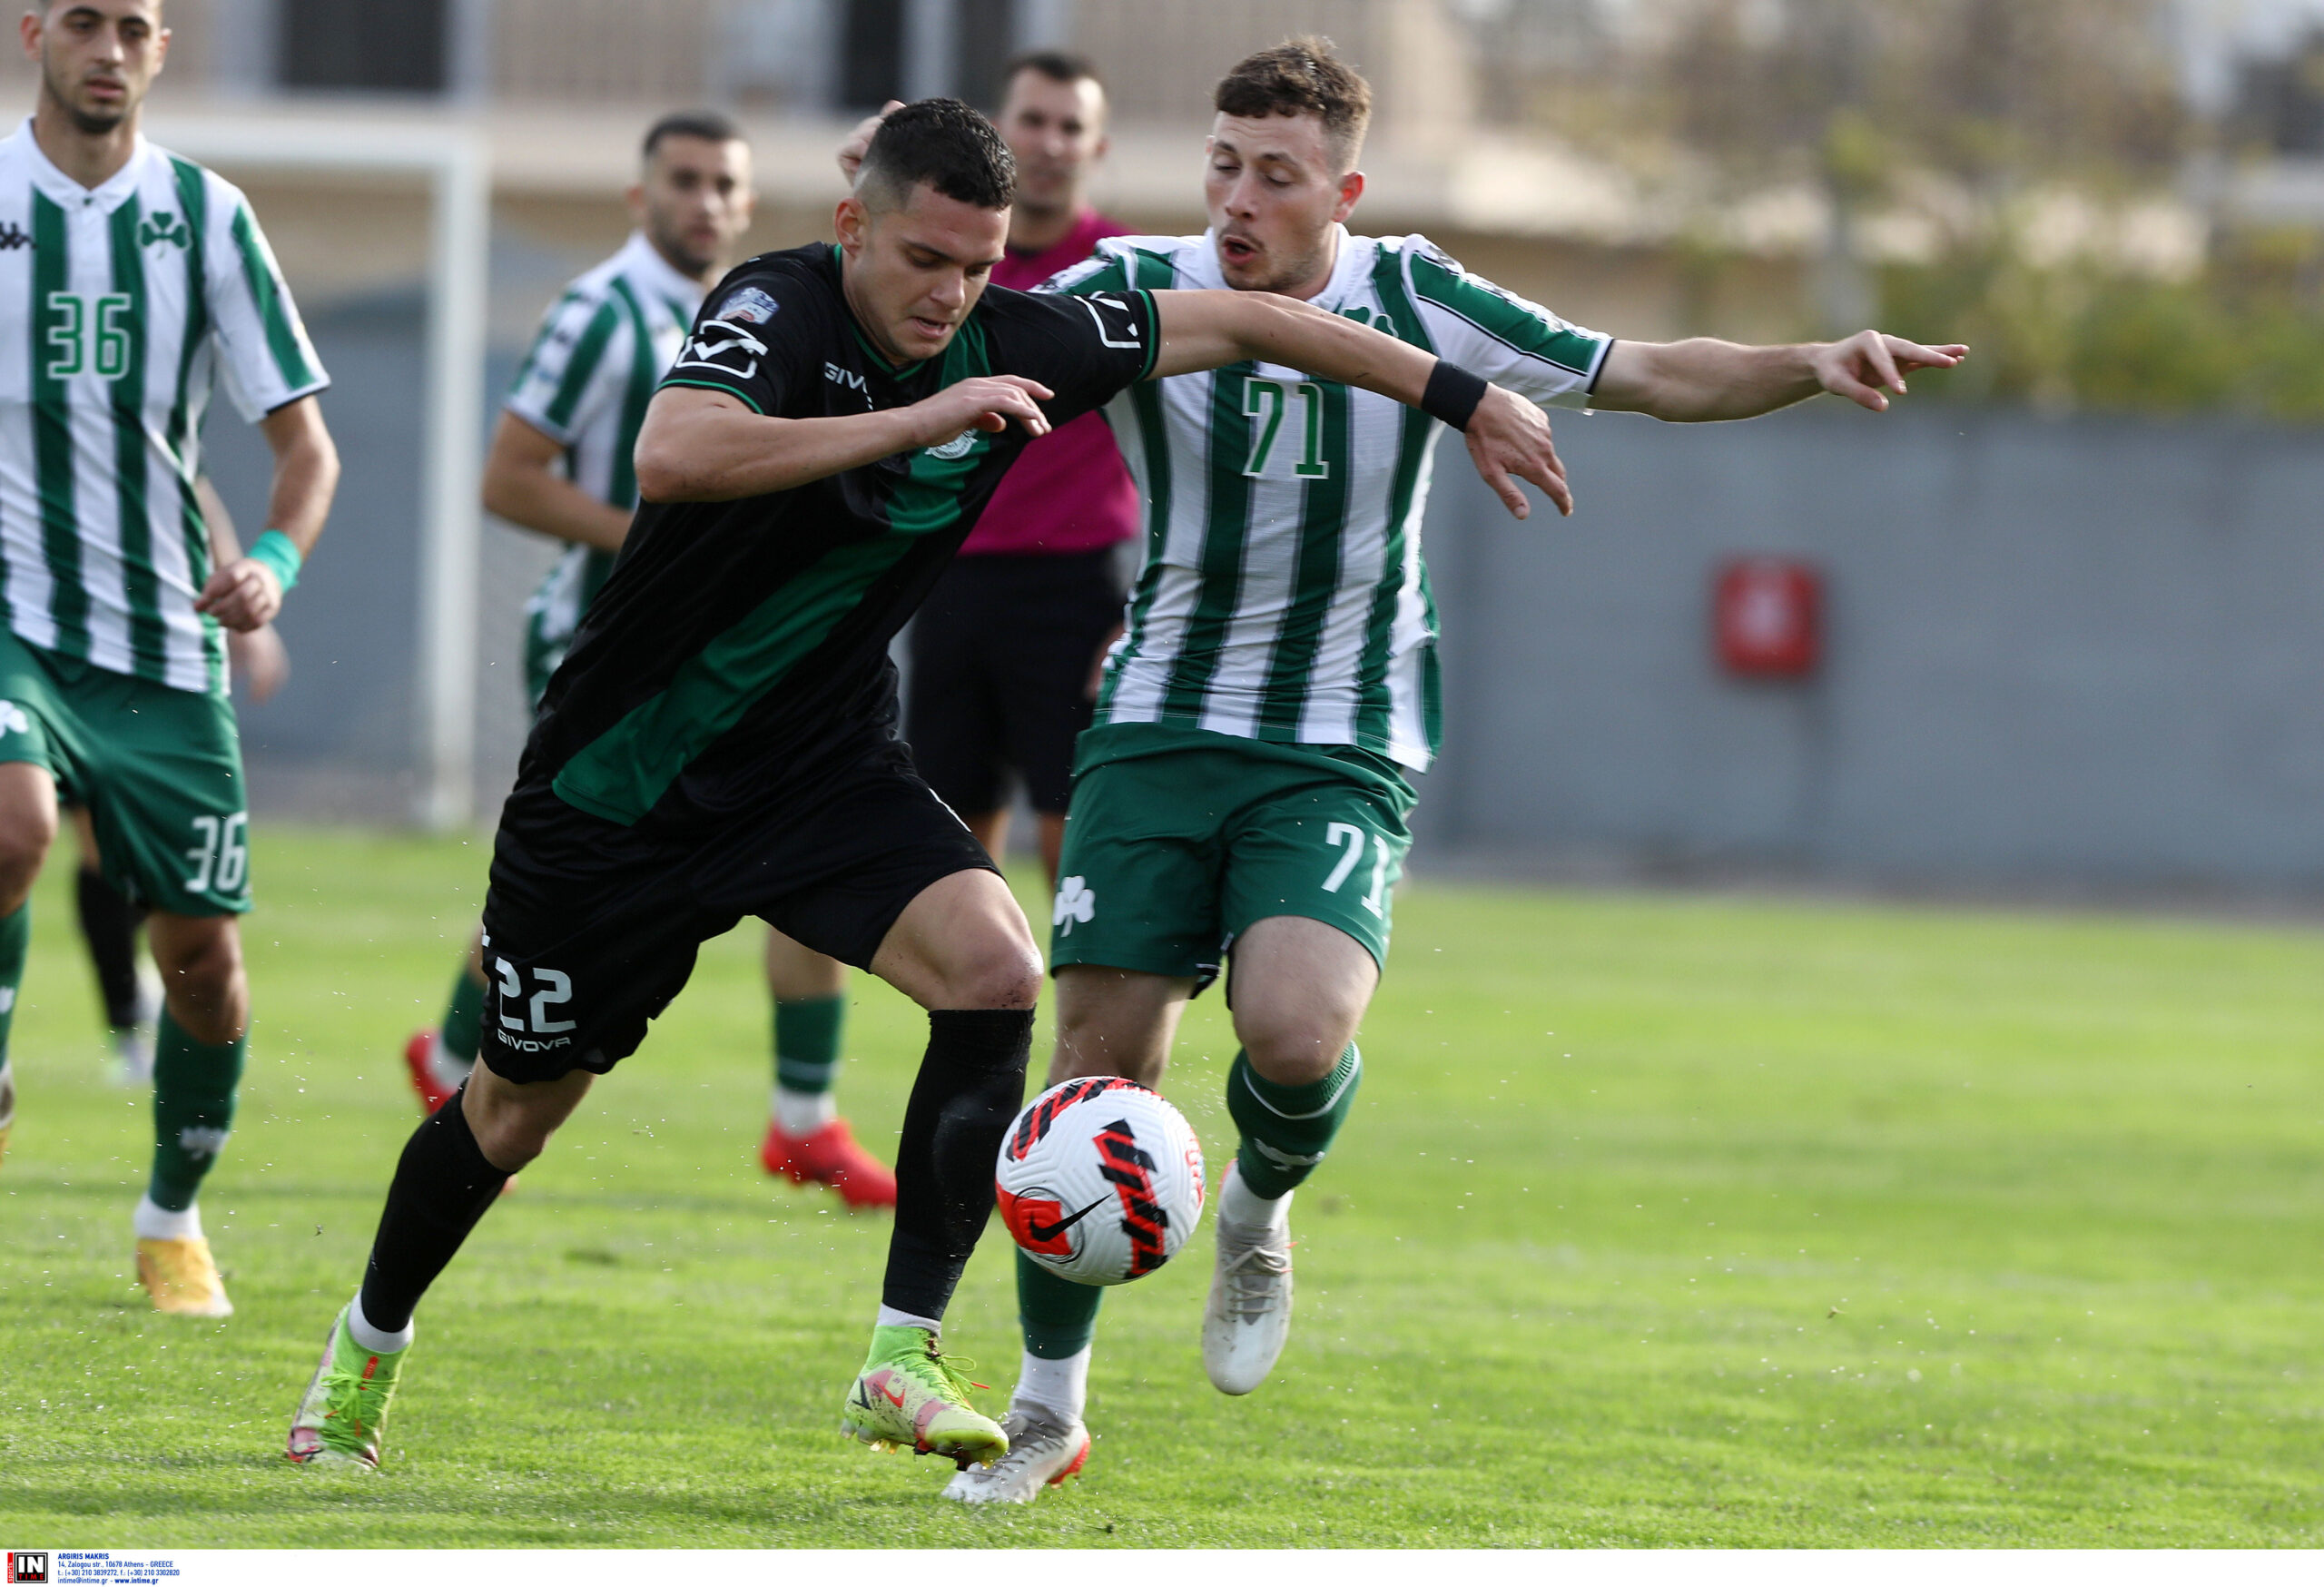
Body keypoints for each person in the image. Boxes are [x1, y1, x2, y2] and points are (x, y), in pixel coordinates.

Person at [282, 96, 1570, 1473]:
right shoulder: (776, 304)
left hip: (820, 769)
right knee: (511, 1112)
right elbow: (678, 453)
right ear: (855, 226)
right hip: (620, 789)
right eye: (923, 260)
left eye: (978, 265)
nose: (950, 294)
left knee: (997, 971)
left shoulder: (1016, 340)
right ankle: (364, 1348)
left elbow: (1254, 324)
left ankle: (902, 1352)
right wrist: (918, 420)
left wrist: (1464, 393)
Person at [938, 37, 1965, 1504]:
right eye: (1224, 166)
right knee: (1097, 1070)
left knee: (1295, 1031)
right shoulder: (1144, 282)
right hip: (1157, 719)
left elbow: (1643, 370)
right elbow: (968, 328)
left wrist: (1807, 361)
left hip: (1342, 732)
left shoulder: (1417, 293)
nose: (1239, 199)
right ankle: (1047, 1410)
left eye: (1276, 175)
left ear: (1343, 193)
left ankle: (1258, 1207)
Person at [396, 111, 896, 1208]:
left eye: (724, 183)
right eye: (684, 179)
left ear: (748, 202)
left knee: (805, 849)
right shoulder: (600, 310)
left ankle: (804, 1117)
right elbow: (508, 477)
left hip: (736, 662)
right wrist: (665, 542)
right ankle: (457, 1057)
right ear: (640, 195)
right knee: (571, 893)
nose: (705, 201)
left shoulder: (768, 309)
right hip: (605, 657)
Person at [0, 2, 341, 1319]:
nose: (108, 48)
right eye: (83, 21)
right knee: (16, 826)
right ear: (34, 30)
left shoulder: (206, 217)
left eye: (133, 26)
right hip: (13, 616)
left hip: (159, 640)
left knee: (202, 965)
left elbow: (304, 450)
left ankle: (171, 1216)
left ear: (162, 45)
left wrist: (274, 565)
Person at [843, 53, 1137, 889]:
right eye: (1033, 121)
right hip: (948, 574)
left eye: (1071, 126)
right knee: (948, 834)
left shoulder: (1121, 268)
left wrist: (1140, 607)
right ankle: (976, 979)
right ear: (1002, 133)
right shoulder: (939, 254)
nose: (1050, 142)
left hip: (1074, 586)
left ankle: (1090, 985)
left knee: (1075, 832)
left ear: (1097, 147)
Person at [71, 478, 288, 1089]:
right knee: (69, 833)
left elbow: (190, 481)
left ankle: (139, 1011)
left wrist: (248, 596)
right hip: (45, 641)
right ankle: (125, 1023)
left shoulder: (136, 435)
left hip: (142, 637)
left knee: (134, 845)